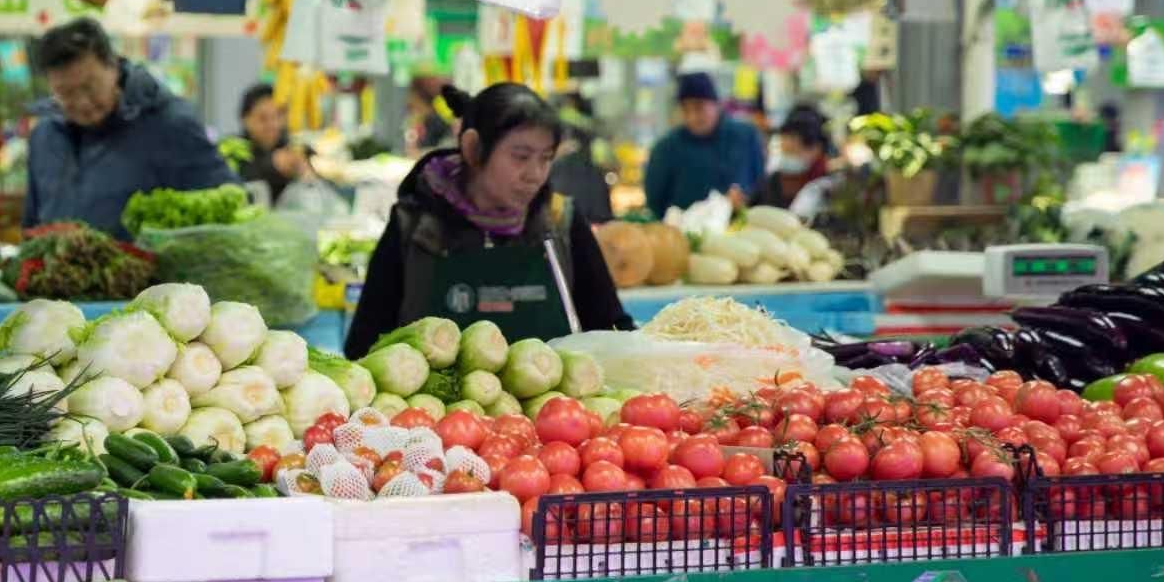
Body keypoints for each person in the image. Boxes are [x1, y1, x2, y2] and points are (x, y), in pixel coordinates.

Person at [344, 83, 632, 359]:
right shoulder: (416, 226)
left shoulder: (559, 223)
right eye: (521, 157)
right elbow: (364, 346)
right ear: (473, 148)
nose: (534, 174)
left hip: (552, 395)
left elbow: (612, 330)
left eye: (545, 159)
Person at [23, 17, 235, 238]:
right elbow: (33, 225)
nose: (83, 103)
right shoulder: (44, 137)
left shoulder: (170, 126)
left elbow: (227, 207)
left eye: (90, 87)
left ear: (113, 67)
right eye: (66, 93)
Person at [643, 72, 765, 218]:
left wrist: (744, 198)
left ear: (717, 105)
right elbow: (655, 201)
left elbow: (760, 184)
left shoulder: (745, 137)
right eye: (685, 110)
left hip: (740, 225)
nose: (692, 117)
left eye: (699, 108)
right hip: (681, 228)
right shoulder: (666, 148)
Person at [233, 83, 310, 204]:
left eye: (278, 116)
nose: (273, 125)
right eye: (263, 118)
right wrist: (272, 166)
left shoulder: (291, 146)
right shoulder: (232, 150)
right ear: (245, 119)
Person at [759, 107, 831, 210]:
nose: (784, 158)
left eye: (791, 152)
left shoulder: (827, 186)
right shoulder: (774, 181)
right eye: (783, 152)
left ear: (816, 149)